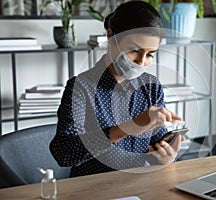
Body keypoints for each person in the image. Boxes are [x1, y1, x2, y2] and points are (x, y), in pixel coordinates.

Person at [50, 1, 184, 177]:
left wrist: (165, 156)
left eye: (150, 54)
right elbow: (64, 153)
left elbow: (156, 146)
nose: (142, 62)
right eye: (134, 50)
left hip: (140, 183)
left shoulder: (151, 87)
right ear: (110, 35)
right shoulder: (80, 88)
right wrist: (125, 129)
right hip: (94, 188)